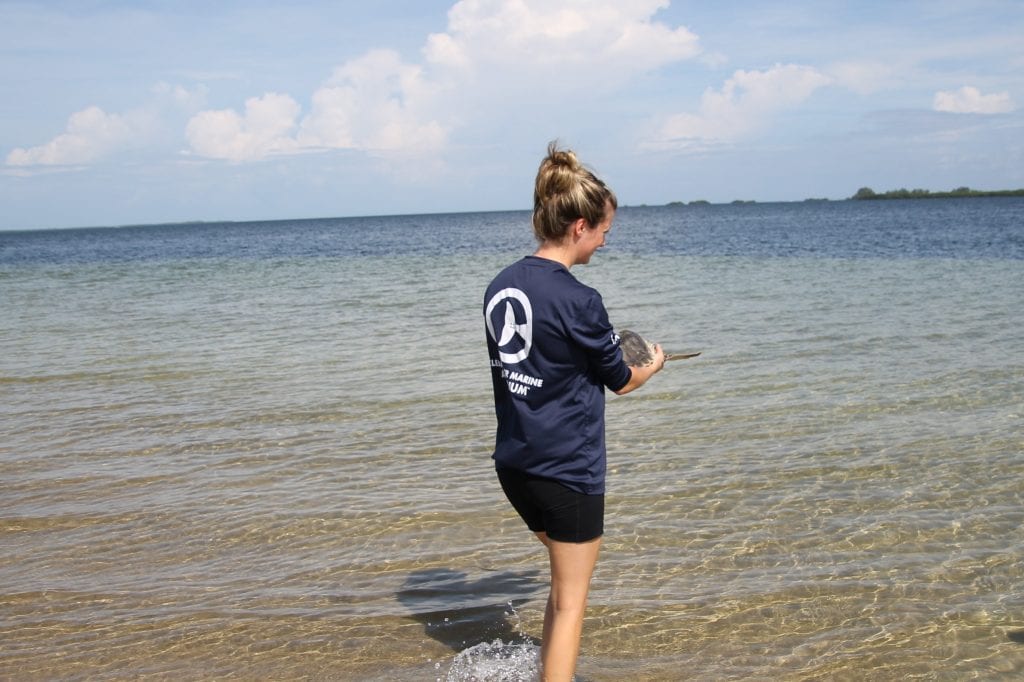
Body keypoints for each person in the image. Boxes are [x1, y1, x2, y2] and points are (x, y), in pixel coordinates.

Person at [483, 142, 665, 681]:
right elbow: (621, 380)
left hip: (515, 465)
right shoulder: (581, 300)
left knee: (562, 588)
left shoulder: (500, 286)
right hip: (568, 471)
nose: (606, 242)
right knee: (571, 601)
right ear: (580, 225)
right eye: (605, 231)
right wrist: (651, 364)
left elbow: (541, 358)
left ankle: (547, 672)